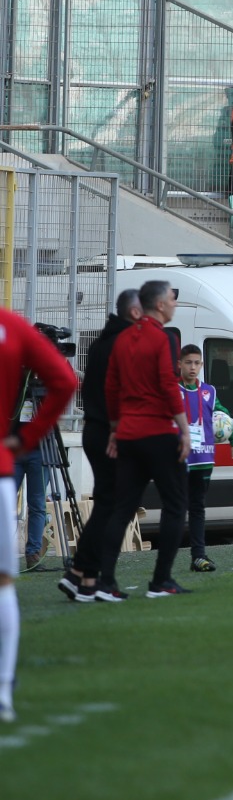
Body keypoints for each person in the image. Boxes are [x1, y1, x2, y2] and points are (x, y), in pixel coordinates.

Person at [61, 280, 192, 603]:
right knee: (176, 505)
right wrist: (184, 429)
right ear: (159, 306)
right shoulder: (162, 338)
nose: (174, 305)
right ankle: (161, 580)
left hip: (127, 434)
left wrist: (116, 429)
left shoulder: (120, 340)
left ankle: (103, 581)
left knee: (121, 507)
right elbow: (167, 384)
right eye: (171, 301)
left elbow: (111, 388)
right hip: (157, 433)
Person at [0, 308, 77, 723]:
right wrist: (28, 434)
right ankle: (3, 690)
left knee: (33, 503)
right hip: (4, 459)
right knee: (2, 586)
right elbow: (65, 381)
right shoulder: (12, 328)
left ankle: (32, 549)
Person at [75, 290, 141, 590]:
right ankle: (89, 573)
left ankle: (82, 572)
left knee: (107, 502)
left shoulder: (105, 340)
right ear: (136, 312)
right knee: (112, 504)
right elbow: (121, 394)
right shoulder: (122, 344)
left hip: (95, 429)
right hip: (108, 432)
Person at [176, 344, 233, 574]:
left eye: (197, 363)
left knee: (197, 508)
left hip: (203, 458)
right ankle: (167, 558)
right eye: (188, 363)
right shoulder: (174, 391)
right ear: (180, 364)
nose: (193, 367)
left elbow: (222, 415)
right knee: (176, 508)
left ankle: (199, 556)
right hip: (180, 460)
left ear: (201, 365)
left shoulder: (209, 392)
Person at [14, 381, 50, 572]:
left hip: (41, 449)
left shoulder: (47, 373)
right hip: (14, 449)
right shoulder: (14, 374)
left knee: (37, 505)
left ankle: (33, 555)